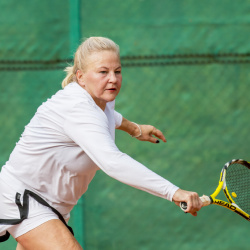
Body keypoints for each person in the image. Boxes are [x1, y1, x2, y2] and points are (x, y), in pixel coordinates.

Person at [0, 37, 202, 250]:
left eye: (118, 71)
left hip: (52, 206)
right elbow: (113, 162)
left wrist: (135, 128)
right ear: (81, 77)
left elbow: (108, 116)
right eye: (103, 72)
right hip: (24, 196)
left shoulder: (102, 101)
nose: (113, 79)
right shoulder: (77, 107)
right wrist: (173, 192)